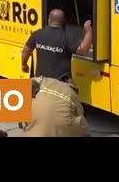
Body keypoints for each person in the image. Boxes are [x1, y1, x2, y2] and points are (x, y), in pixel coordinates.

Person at [20, 9, 93, 137]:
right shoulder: (66, 37)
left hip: (41, 85)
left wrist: (24, 64)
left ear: (49, 20)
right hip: (61, 86)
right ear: (63, 22)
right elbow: (83, 50)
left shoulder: (38, 34)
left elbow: (26, 51)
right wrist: (88, 31)